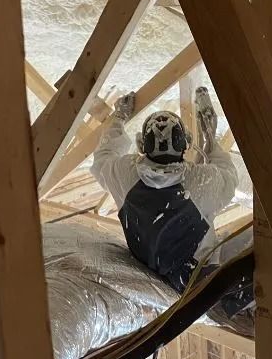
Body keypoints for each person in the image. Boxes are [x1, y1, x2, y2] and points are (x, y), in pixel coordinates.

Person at [91, 87, 238, 294]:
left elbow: (103, 157)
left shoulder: (125, 174)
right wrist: (210, 141)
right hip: (195, 278)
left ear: (141, 145)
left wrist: (119, 117)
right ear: (186, 143)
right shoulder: (202, 181)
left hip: (149, 267)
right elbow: (229, 176)